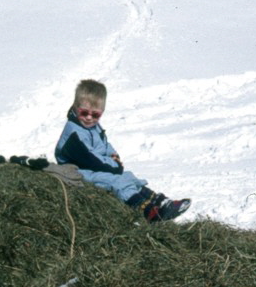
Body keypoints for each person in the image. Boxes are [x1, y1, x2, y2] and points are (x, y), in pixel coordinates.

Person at [55, 79, 190, 222]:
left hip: (93, 168)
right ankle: (148, 211)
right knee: (116, 181)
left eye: (95, 115)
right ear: (75, 107)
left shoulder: (92, 126)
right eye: (84, 112)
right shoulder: (74, 133)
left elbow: (104, 144)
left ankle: (160, 201)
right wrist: (114, 165)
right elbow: (90, 159)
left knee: (128, 177)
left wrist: (113, 155)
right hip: (76, 172)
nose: (89, 118)